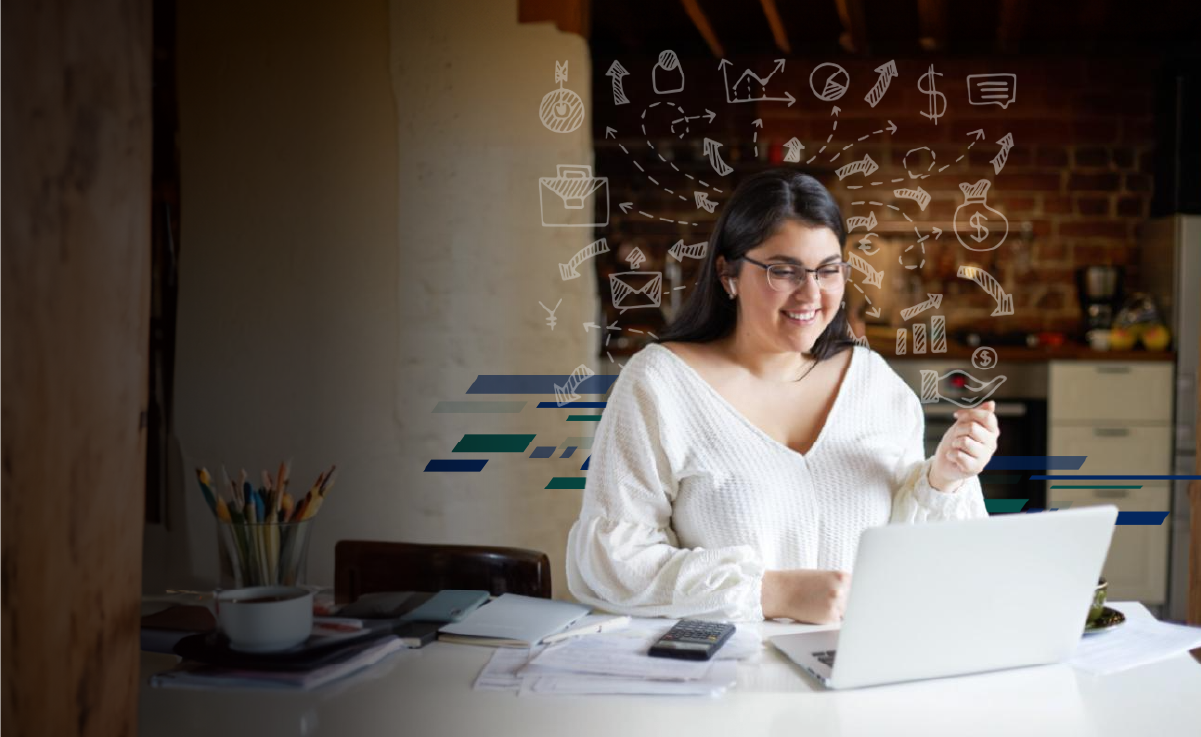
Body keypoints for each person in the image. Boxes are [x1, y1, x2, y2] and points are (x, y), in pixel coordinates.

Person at [566, 169, 999, 624]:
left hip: (854, 668)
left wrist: (943, 479)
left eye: (828, 270)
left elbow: (912, 562)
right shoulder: (659, 384)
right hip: (718, 677)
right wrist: (772, 593)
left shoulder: (874, 383)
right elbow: (614, 561)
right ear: (728, 274)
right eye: (784, 271)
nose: (811, 294)